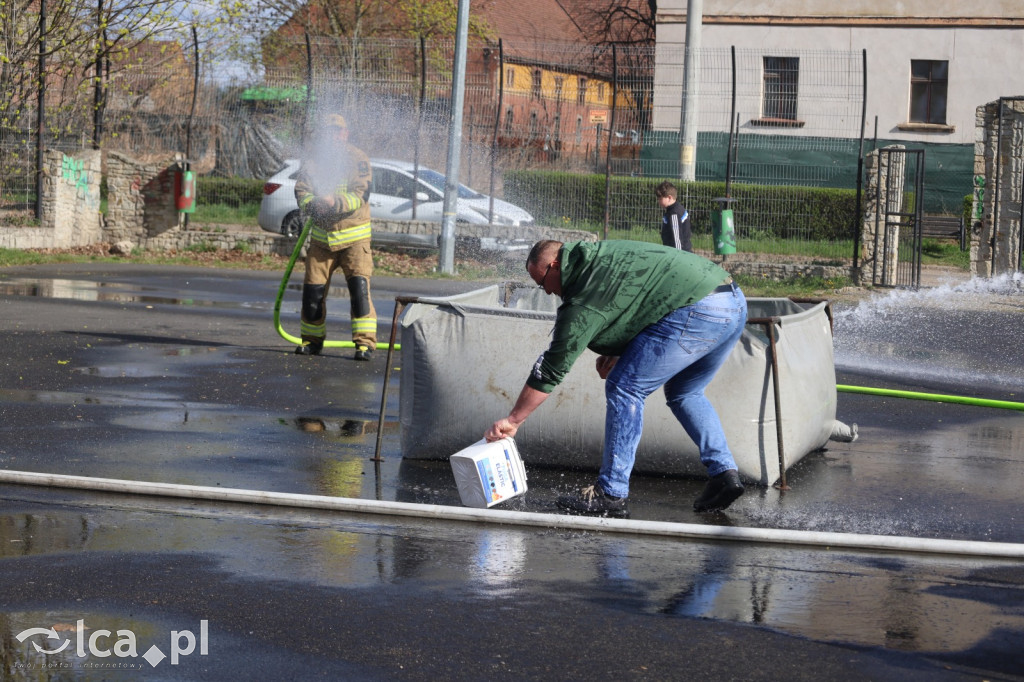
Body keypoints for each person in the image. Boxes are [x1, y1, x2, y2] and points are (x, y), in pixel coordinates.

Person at [485, 239, 747, 516]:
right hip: (733, 302)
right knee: (685, 392)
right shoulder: (599, 256)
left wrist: (514, 420)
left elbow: (553, 368)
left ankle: (611, 493)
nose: (548, 291)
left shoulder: (584, 293)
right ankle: (724, 474)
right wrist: (625, 351)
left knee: (625, 387)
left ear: (556, 265)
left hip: (698, 309)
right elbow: (645, 296)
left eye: (544, 282)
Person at [293, 114, 377, 360]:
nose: (333, 136)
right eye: (329, 131)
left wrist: (333, 202)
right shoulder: (313, 162)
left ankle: (365, 345)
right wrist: (313, 205)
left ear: (345, 133)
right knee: (312, 294)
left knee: (359, 292)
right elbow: (302, 191)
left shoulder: (357, 159)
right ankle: (311, 341)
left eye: (338, 131)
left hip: (354, 239)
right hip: (322, 240)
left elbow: (361, 194)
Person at [655, 181, 692, 252]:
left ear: (669, 198)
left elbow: (677, 240)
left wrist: (677, 257)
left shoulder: (674, 214)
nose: (658, 201)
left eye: (660, 199)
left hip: (680, 254)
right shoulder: (677, 208)